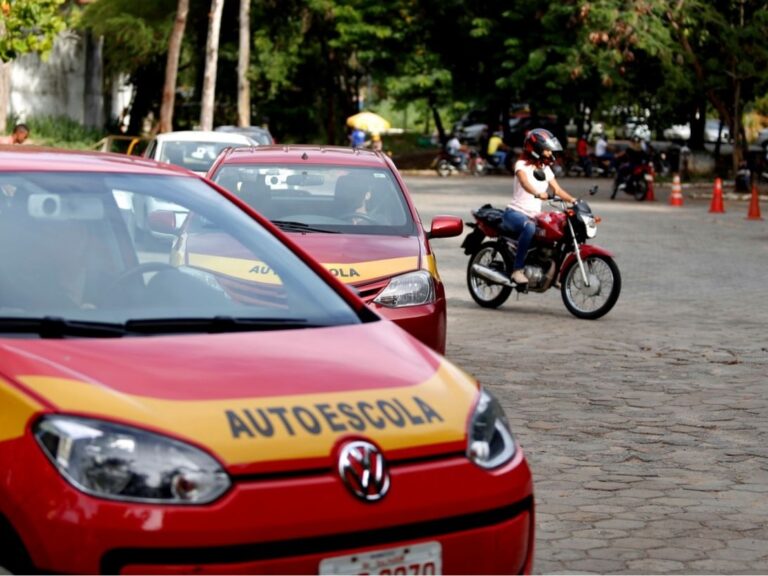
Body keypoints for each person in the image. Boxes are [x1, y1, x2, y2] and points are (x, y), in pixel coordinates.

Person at [503, 128, 576, 286]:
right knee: (529, 227)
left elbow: (557, 190)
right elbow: (524, 182)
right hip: (515, 213)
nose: (550, 154)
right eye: (547, 150)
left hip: (534, 215)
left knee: (558, 230)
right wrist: (537, 192)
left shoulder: (545, 169)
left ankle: (552, 273)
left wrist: (574, 201)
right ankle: (517, 270)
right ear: (535, 150)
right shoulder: (521, 164)